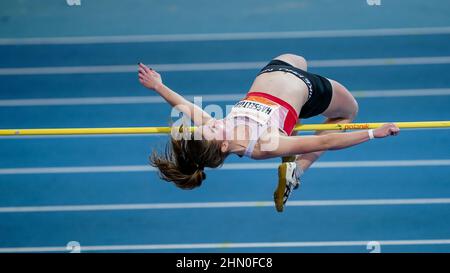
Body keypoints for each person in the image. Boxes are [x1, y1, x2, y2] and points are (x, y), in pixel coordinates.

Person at [138, 54, 400, 212]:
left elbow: (186, 107)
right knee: (349, 111)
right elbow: (326, 140)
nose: (212, 122)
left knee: (324, 92)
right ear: (224, 146)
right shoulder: (263, 145)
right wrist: (373, 133)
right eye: (211, 129)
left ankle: (295, 166)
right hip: (286, 78)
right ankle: (295, 159)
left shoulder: (223, 133)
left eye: (208, 125)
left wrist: (159, 86)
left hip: (288, 77)